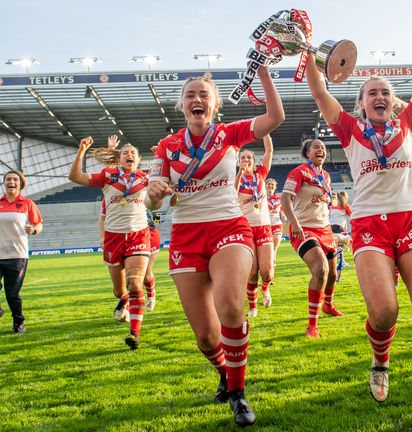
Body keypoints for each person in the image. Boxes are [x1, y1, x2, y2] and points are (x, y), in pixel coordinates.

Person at [306, 13, 412, 432]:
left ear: (393, 101)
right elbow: (320, 93)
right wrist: (310, 54)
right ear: (361, 102)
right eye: (370, 91)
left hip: (411, 218)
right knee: (385, 312)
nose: (379, 96)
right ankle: (380, 358)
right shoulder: (350, 128)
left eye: (385, 92)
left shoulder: (409, 122)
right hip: (370, 224)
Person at [146, 66, 284, 427]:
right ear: (181, 106)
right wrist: (153, 194)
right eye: (190, 95)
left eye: (203, 95)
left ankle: (238, 394)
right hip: (187, 238)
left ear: (215, 104)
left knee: (231, 307)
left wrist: (264, 73)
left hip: (229, 227)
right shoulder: (167, 146)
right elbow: (152, 201)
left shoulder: (229, 134)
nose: (197, 99)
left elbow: (275, 116)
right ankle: (225, 373)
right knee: (207, 338)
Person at [69, 135, 150, 350]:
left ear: (139, 159)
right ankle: (124, 301)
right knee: (119, 290)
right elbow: (75, 177)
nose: (129, 154)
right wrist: (81, 151)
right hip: (113, 237)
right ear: (119, 159)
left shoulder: (145, 178)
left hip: (138, 235)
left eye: (133, 153)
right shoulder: (108, 175)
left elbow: (164, 189)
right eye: (125, 152)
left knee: (135, 284)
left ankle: (134, 333)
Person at [281, 139, 344, 338]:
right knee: (321, 270)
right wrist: (295, 223)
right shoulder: (299, 172)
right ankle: (312, 326)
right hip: (304, 229)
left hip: (324, 229)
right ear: (307, 153)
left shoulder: (325, 176)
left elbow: (324, 204)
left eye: (323, 148)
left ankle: (328, 305)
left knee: (333, 275)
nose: (321, 150)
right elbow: (285, 198)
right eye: (316, 147)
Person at [0, 170, 43, 334]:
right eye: (8, 179)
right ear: (4, 182)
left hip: (17, 256)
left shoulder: (27, 203)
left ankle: (18, 322)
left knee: (12, 293)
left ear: (20, 183)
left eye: (15, 179)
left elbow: (39, 225)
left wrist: (33, 229)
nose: (11, 182)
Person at [235, 135, 274, 317]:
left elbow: (269, 151)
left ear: (254, 161)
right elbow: (232, 195)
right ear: (239, 162)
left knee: (266, 272)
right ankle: (253, 307)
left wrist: (265, 132)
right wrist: (239, 175)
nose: (246, 160)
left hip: (264, 226)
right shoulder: (236, 180)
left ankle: (266, 288)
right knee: (251, 273)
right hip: (246, 228)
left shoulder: (261, 175)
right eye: (243, 158)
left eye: (249, 157)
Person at [266, 178, 286, 303]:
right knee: (267, 253)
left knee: (273, 251)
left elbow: (283, 210)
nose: (270, 186)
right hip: (265, 225)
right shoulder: (262, 197)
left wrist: (284, 215)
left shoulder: (279, 199)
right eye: (268, 184)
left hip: (277, 225)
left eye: (272, 184)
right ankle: (266, 273)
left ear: (275, 186)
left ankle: (271, 277)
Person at [329, 190, 353, 279]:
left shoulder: (332, 205)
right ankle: (342, 262)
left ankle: (333, 262)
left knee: (334, 246)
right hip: (339, 227)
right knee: (341, 245)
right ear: (345, 197)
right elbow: (352, 216)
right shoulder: (345, 205)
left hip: (330, 227)